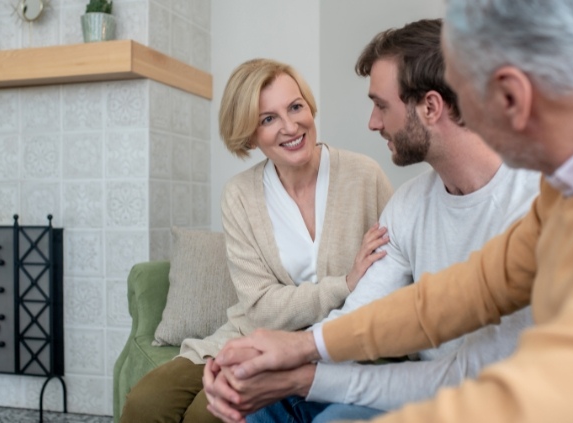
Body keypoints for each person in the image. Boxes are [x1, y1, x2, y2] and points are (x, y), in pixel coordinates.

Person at [208, 0, 573, 422]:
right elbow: (462, 295)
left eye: (469, 98)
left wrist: (304, 375)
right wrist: (302, 347)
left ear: (511, 96)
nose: (468, 120)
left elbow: (525, 401)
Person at [203, 19, 540, 423]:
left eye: (381, 105)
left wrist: (302, 372)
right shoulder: (409, 205)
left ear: (430, 107)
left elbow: (469, 374)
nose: (372, 122)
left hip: (499, 399)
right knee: (263, 413)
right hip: (426, 384)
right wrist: (277, 359)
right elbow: (358, 317)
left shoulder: (536, 202)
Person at [118, 59, 393, 423]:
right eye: (268, 119)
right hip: (250, 335)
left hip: (328, 343)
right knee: (145, 403)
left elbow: (396, 265)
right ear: (249, 135)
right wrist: (344, 283)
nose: (291, 126)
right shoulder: (240, 195)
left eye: (295, 107)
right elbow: (261, 306)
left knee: (209, 415)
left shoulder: (364, 176)